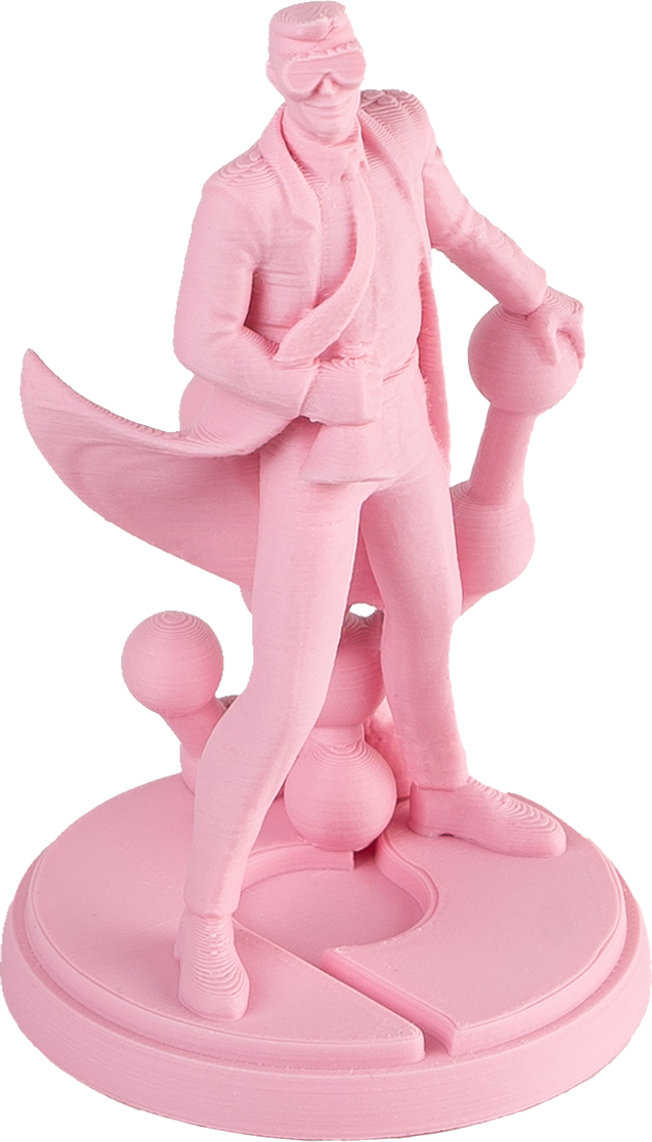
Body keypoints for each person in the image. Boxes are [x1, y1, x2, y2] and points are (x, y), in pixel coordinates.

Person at [172, 2, 583, 1020]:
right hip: (312, 447)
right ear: (277, 77)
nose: (328, 92)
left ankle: (442, 790)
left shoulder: (396, 137)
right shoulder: (243, 195)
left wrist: (535, 296)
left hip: (402, 418)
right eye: (306, 74)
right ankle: (204, 916)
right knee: (286, 689)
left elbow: (458, 227)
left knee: (430, 614)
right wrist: (311, 390)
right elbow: (203, 338)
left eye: (341, 70)